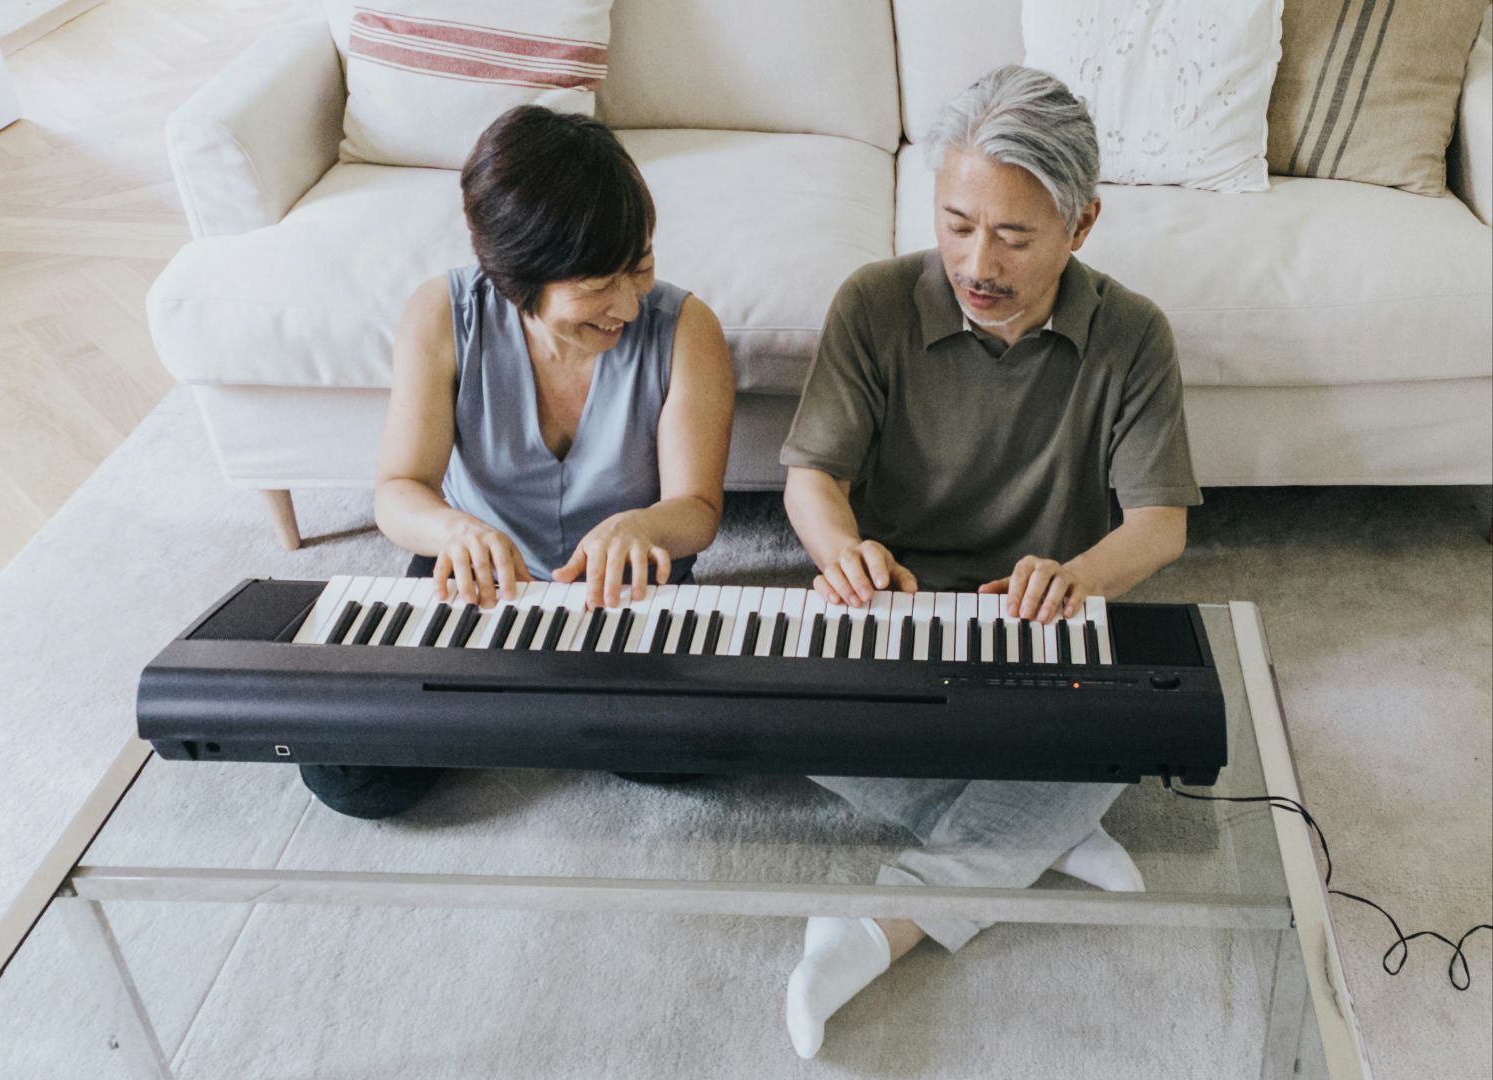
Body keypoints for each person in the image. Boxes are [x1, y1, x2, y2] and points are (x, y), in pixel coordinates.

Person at [777, 66, 1202, 1058]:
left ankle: (879, 929)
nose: (976, 259)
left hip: (1039, 629)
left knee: (1139, 717)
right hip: (897, 619)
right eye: (956, 221)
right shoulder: (875, 302)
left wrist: (1082, 576)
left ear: (1081, 225)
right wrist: (841, 553)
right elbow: (810, 479)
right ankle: (1047, 832)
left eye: (1013, 235)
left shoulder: (1132, 335)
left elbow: (1159, 525)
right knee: (785, 712)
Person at [299, 105, 735, 820]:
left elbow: (697, 511)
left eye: (642, 268)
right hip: (477, 577)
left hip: (626, 581)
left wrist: (646, 528)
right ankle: (535, 704)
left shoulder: (688, 329)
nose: (627, 304)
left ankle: (506, 707)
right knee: (350, 775)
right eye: (597, 286)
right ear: (514, 277)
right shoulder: (441, 314)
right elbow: (399, 490)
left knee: (693, 753)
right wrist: (453, 533)